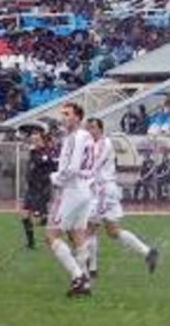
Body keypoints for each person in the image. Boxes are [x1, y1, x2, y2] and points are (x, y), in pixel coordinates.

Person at [83, 118, 159, 278]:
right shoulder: (93, 145)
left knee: (90, 228)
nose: (90, 131)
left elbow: (93, 165)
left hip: (102, 190)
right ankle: (147, 252)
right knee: (112, 230)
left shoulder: (104, 144)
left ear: (101, 130)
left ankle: (92, 269)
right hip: (104, 189)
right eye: (88, 128)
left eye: (93, 128)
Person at [45, 102, 95, 297]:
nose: (63, 118)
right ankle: (86, 282)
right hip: (85, 190)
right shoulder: (87, 137)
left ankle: (78, 276)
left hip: (73, 190)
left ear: (78, 117)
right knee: (78, 234)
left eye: (67, 114)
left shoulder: (75, 137)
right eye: (63, 114)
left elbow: (72, 168)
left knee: (52, 234)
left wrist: (55, 177)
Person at [19, 126, 56, 249]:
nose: (33, 142)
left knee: (39, 219)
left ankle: (55, 233)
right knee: (24, 214)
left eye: (36, 139)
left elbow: (50, 165)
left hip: (42, 188)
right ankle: (31, 243)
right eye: (32, 140)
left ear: (42, 140)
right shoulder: (33, 151)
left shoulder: (47, 151)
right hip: (31, 187)